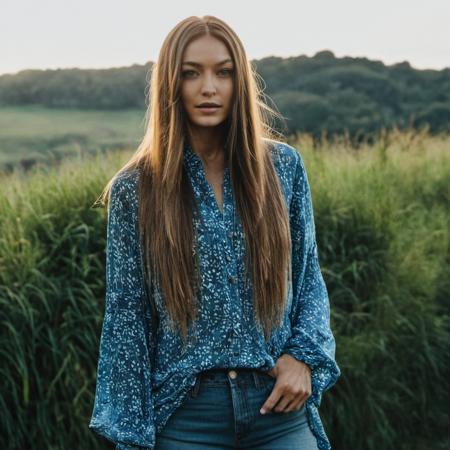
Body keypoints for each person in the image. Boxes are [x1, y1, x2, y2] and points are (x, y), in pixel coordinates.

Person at [89, 15, 340, 450]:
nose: (209, 87)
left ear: (239, 80)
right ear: (171, 83)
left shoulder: (284, 170)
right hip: (185, 418)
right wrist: (132, 437)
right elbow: (127, 319)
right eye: (191, 73)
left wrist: (303, 357)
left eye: (223, 72)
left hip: (277, 412)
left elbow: (308, 279)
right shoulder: (136, 189)